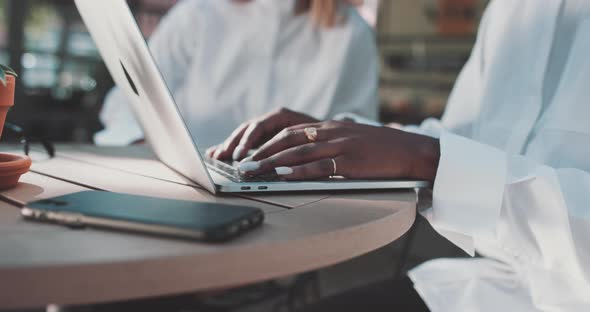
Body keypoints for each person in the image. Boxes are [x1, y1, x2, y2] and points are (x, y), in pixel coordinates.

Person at [207, 0, 590, 310]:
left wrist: (429, 160)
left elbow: (441, 155)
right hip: (498, 286)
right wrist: (338, 136)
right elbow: (459, 139)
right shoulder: (515, 10)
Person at [94, 0, 379, 150]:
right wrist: (144, 144)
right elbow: (127, 100)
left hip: (294, 204)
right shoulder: (197, 14)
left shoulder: (351, 34)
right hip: (179, 190)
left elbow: (355, 131)